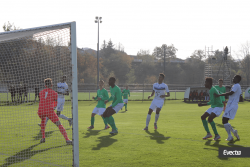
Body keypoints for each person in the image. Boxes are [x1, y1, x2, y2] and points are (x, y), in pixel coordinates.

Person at [38, 78, 72, 144]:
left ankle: (43, 138)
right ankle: (67, 139)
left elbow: (41, 100)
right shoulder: (55, 93)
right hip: (49, 111)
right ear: (52, 85)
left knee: (43, 121)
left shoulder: (41, 92)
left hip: (40, 111)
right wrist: (53, 107)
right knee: (59, 124)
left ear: (45, 85)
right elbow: (55, 104)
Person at [214, 75, 241, 141]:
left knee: (224, 120)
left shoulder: (236, 85)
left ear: (237, 80)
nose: (233, 78)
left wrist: (219, 95)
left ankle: (230, 136)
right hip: (230, 105)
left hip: (232, 105)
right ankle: (234, 132)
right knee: (225, 120)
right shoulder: (235, 85)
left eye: (234, 78)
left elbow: (231, 93)